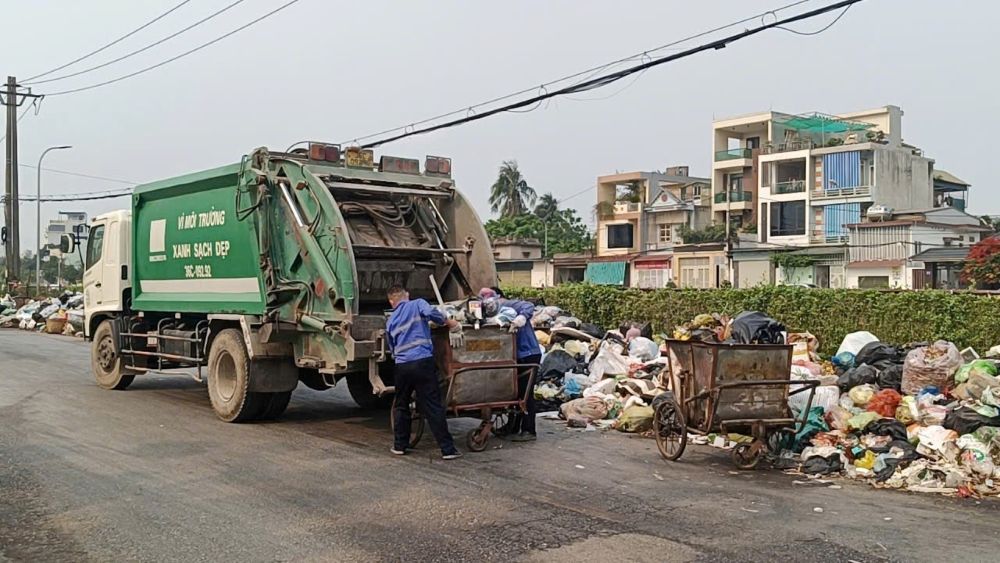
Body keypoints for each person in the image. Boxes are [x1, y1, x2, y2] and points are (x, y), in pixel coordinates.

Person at [386, 285, 463, 460]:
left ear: (392, 302)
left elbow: (392, 347)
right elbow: (434, 314)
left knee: (401, 405)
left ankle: (399, 446)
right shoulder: (418, 304)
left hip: (402, 366)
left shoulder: (390, 321)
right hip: (422, 362)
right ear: (407, 295)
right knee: (432, 405)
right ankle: (447, 449)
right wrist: (450, 323)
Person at [480, 288, 541, 442]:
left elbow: (528, 306)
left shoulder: (508, 304)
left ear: (498, 297)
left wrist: (520, 318)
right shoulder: (490, 310)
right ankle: (512, 427)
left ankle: (529, 431)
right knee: (515, 393)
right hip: (512, 356)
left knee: (525, 394)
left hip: (528, 353)